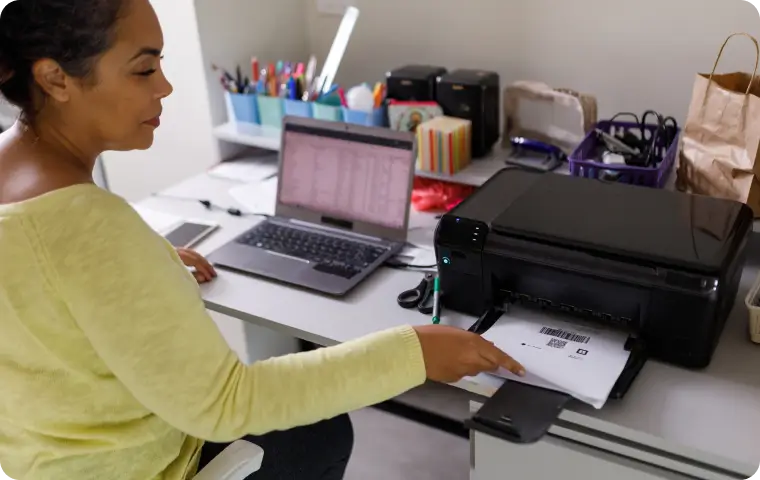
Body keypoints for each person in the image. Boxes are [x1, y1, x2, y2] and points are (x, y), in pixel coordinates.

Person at [0, 1, 525, 479]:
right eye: (144, 69)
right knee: (321, 432)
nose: (165, 87)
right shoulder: (94, 231)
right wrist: (415, 353)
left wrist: (148, 262)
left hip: (36, 457)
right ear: (54, 78)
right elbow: (228, 403)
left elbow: (49, 274)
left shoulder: (23, 183)